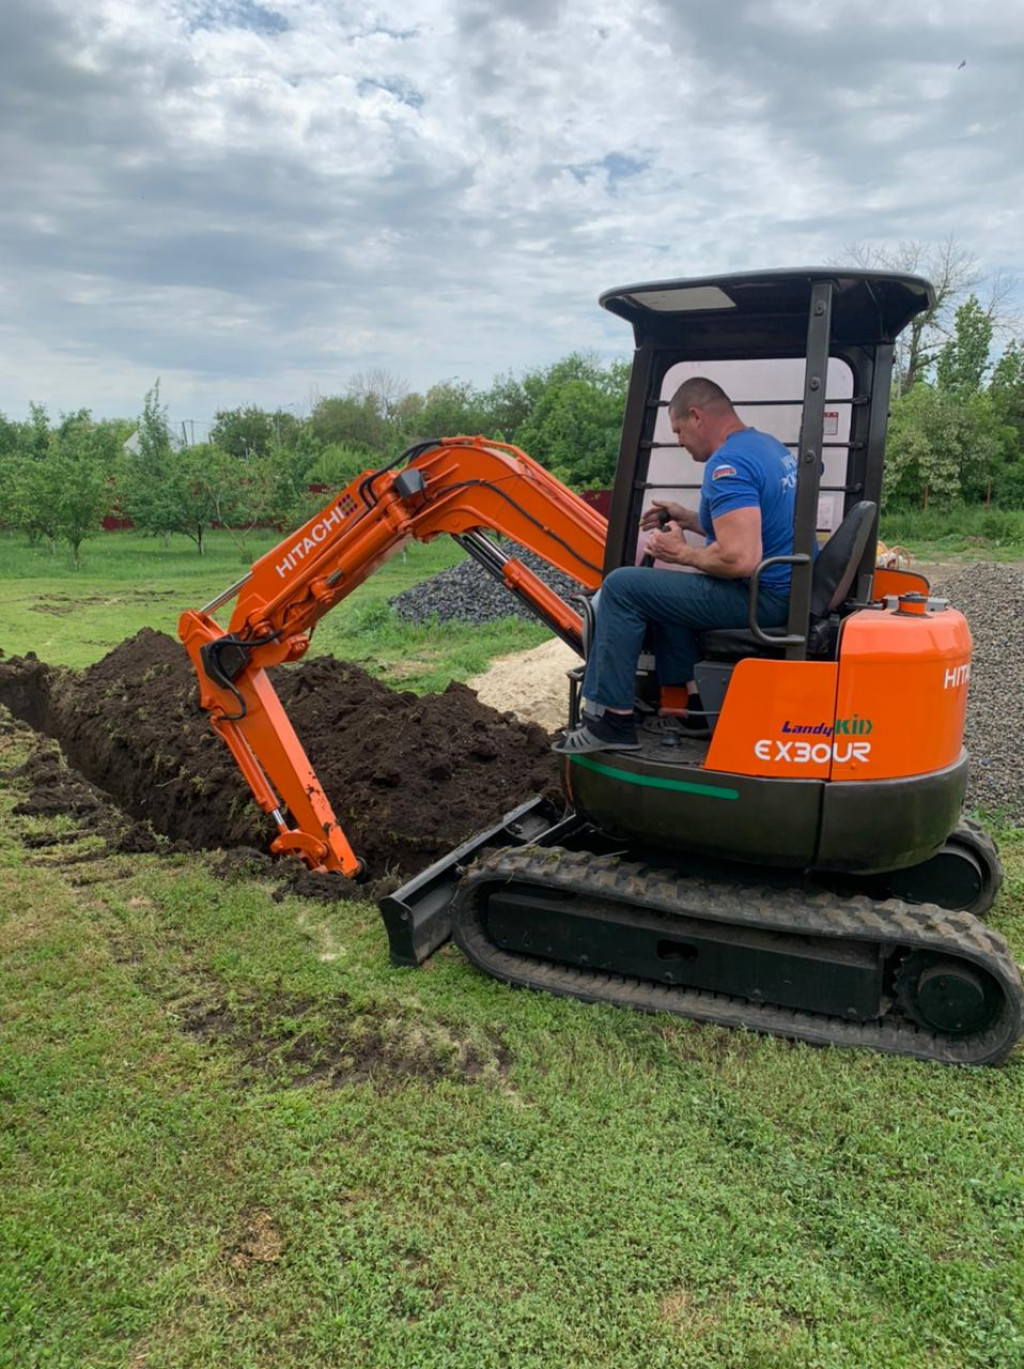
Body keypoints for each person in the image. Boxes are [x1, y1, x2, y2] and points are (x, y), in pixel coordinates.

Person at [553, 376, 798, 755]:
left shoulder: (726, 465)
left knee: (622, 587)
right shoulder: (765, 447)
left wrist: (680, 553)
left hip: (762, 598)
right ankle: (692, 706)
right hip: (787, 590)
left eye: (679, 430)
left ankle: (611, 721)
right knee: (661, 597)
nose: (679, 441)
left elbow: (740, 558)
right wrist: (686, 518)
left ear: (697, 416)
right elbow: (753, 524)